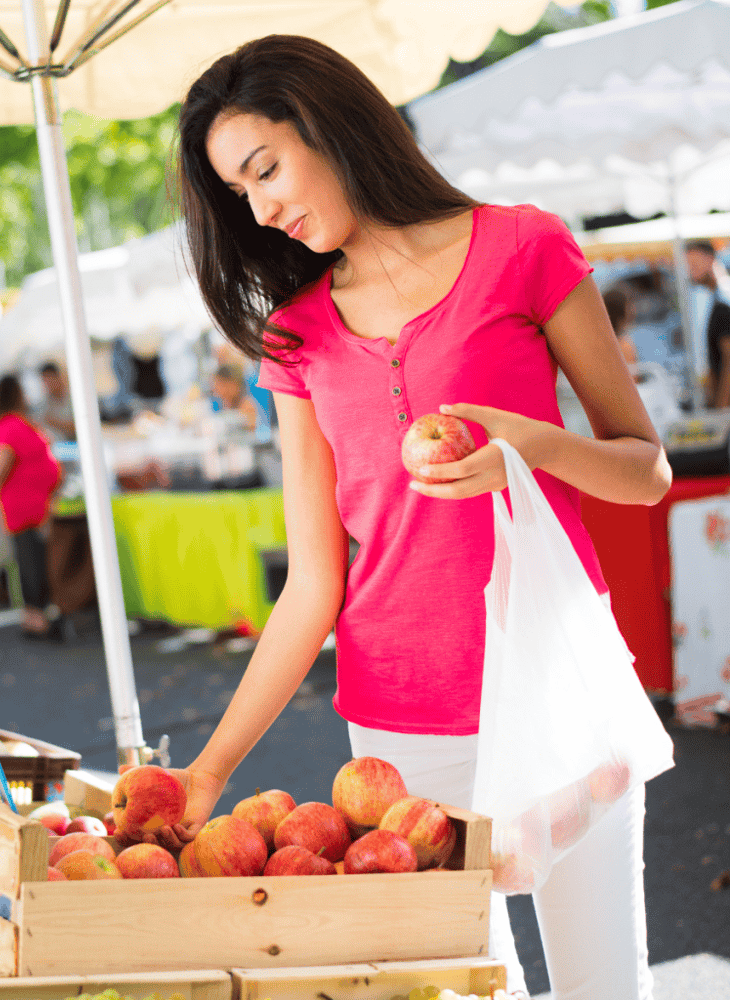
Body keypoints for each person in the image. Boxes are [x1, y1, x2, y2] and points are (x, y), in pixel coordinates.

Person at [152, 36, 672, 1000]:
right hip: (400, 732)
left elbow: (645, 470)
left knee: (608, 984)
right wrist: (213, 770)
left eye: (265, 168)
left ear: (329, 123)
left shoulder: (524, 247)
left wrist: (527, 443)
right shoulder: (295, 334)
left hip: (557, 685)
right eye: (239, 193)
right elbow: (315, 583)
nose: (261, 208)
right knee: (468, 987)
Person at [0, 374, 61, 637]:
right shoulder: (8, 425)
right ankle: (36, 617)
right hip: (22, 505)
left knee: (35, 560)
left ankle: (39, 613)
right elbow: (1, 463)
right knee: (30, 562)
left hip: (36, 503)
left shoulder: (18, 423)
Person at [683, 239, 730, 408]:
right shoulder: (707, 297)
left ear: (710, 260)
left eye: (694, 264)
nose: (690, 271)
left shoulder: (723, 300)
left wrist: (722, 406)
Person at [37, 361, 77, 442]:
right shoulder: (44, 404)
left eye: (50, 380)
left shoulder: (73, 397)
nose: (48, 384)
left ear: (58, 377)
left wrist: (55, 422)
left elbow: (79, 426)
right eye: (45, 381)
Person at [602, 286, 639, 368]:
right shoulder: (623, 346)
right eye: (629, 305)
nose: (633, 309)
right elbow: (633, 378)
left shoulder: (602, 342)